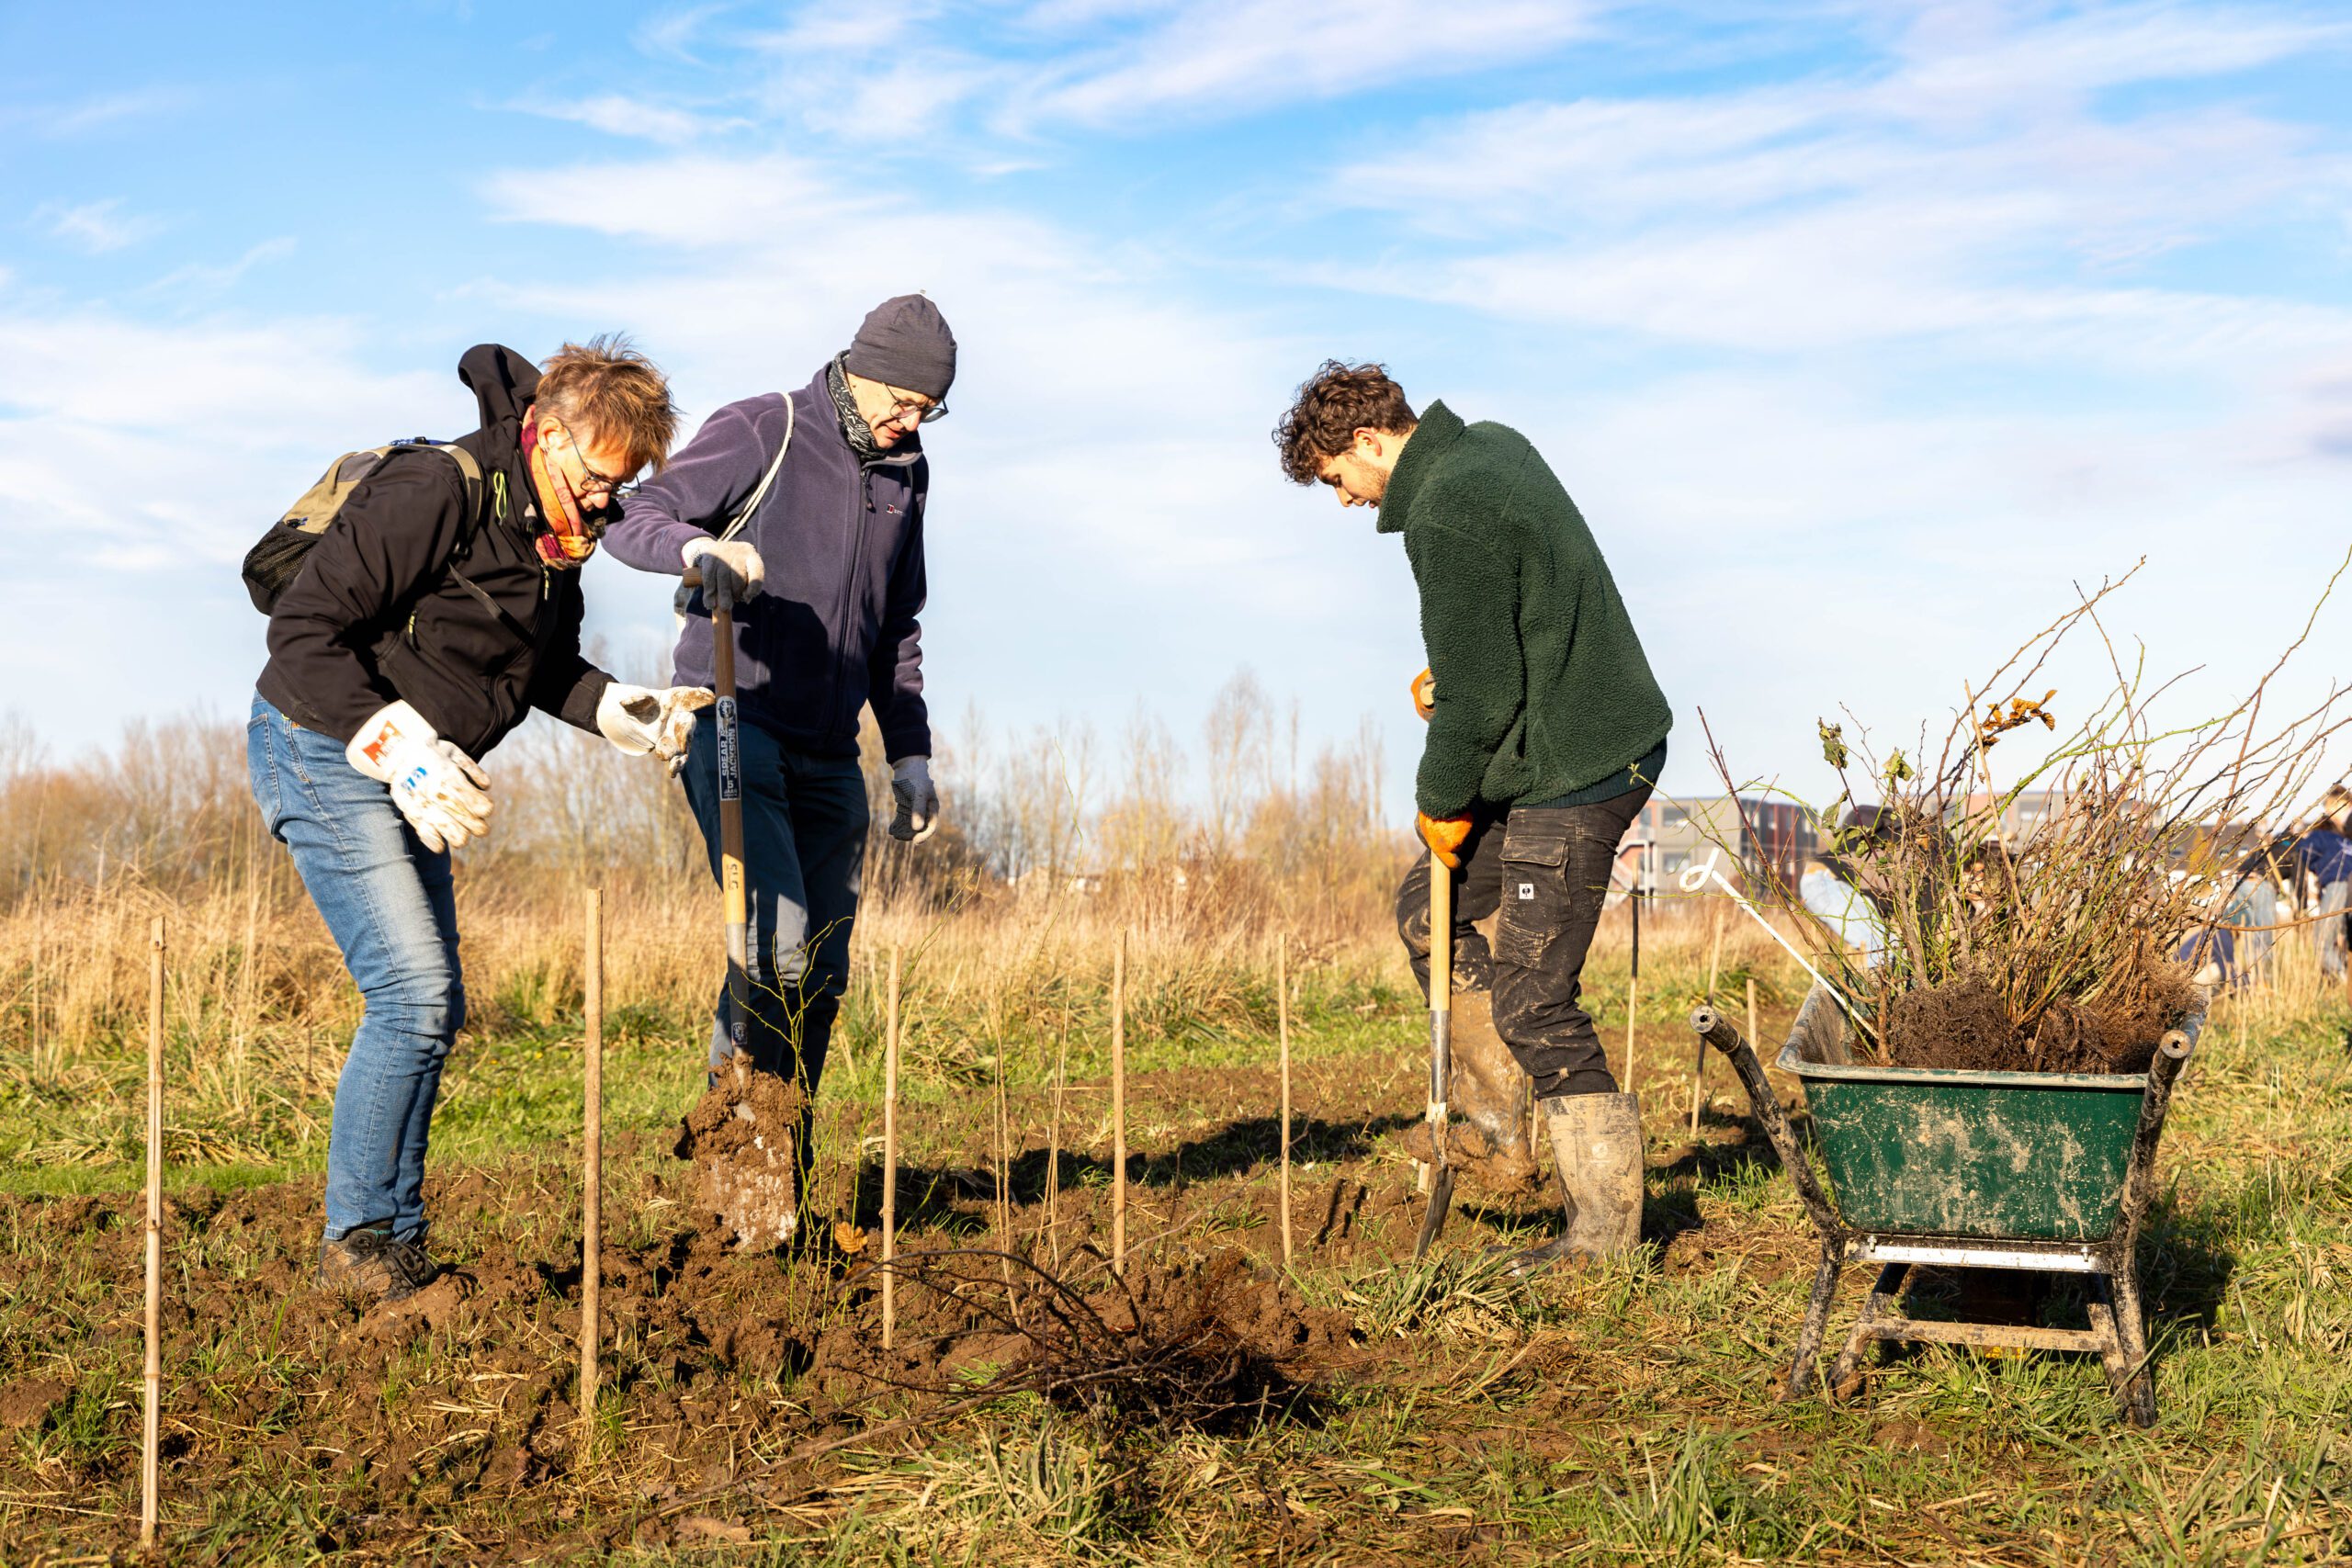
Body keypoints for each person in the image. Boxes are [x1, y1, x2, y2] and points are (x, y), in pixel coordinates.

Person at [250, 338, 696, 1304]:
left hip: (424, 772)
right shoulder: (436, 488)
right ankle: (358, 1244)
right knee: (410, 995)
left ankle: (397, 1246)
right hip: (323, 744)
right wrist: (393, 745)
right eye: (595, 480)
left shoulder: (551, 544)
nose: (605, 505)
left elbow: (537, 668)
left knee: (434, 1008)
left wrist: (622, 709)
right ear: (549, 431)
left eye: (622, 490)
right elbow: (303, 633)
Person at [1275, 361, 1674, 1270]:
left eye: (1338, 480)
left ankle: (1602, 1243)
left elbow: (1485, 696)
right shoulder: (1490, 448)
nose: (1344, 502)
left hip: (1578, 764)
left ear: (1368, 443)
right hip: (1554, 742)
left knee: (1535, 999)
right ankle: (1496, 1132)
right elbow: (1509, 632)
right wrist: (1454, 685)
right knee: (1432, 912)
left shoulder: (1446, 509)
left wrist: (1439, 802)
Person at [603, 296, 950, 1144]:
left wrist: (908, 752)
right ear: (860, 369)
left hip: (833, 751)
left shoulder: (909, 473)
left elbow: (893, 626)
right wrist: (698, 549)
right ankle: (736, 1147)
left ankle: (779, 1153)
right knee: (775, 947)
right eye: (901, 402)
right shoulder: (771, 428)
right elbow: (631, 515)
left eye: (928, 410)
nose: (910, 423)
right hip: (732, 717)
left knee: (823, 971)